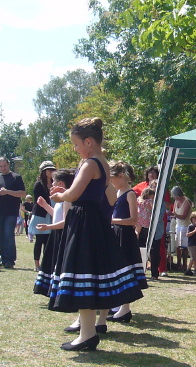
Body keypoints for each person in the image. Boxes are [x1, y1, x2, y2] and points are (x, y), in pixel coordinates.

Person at [45, 118, 143, 351]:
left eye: (77, 144)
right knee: (88, 277)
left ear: (88, 142)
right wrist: (70, 194)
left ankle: (87, 334)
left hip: (85, 223)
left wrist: (59, 196)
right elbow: (109, 199)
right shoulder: (103, 163)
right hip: (94, 222)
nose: (76, 149)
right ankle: (87, 332)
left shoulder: (89, 163)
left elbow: (74, 194)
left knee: (82, 273)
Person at [108, 160, 148, 323]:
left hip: (125, 234)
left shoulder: (130, 193)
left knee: (126, 269)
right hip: (117, 232)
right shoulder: (117, 193)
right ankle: (120, 307)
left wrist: (112, 221)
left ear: (122, 176)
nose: (111, 183)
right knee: (118, 270)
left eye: (113, 179)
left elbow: (133, 219)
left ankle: (125, 309)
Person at [34, 168, 75, 295]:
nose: (52, 184)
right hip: (55, 235)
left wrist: (48, 227)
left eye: (54, 182)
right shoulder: (59, 200)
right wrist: (45, 205)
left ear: (61, 184)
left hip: (62, 235)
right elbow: (56, 215)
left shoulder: (67, 199)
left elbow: (65, 222)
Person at [0, 157, 25, 269]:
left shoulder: (16, 177)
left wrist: (7, 192)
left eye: (4, 165)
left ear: (8, 165)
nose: (3, 168)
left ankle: (10, 260)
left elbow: (23, 193)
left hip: (11, 212)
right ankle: (1, 258)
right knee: (0, 236)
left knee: (9, 235)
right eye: (0, 166)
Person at [30, 161, 56, 271]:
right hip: (41, 215)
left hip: (52, 214)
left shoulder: (56, 183)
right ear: (44, 172)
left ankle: (46, 264)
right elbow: (39, 201)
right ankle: (37, 264)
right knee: (39, 240)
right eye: (49, 170)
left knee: (48, 241)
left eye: (53, 170)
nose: (52, 172)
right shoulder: (39, 185)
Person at [170, 186, 192, 272]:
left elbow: (184, 216)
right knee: (177, 246)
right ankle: (178, 263)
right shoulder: (176, 201)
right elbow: (174, 212)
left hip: (185, 226)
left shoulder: (187, 201)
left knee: (184, 246)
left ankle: (184, 264)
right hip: (178, 225)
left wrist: (174, 215)